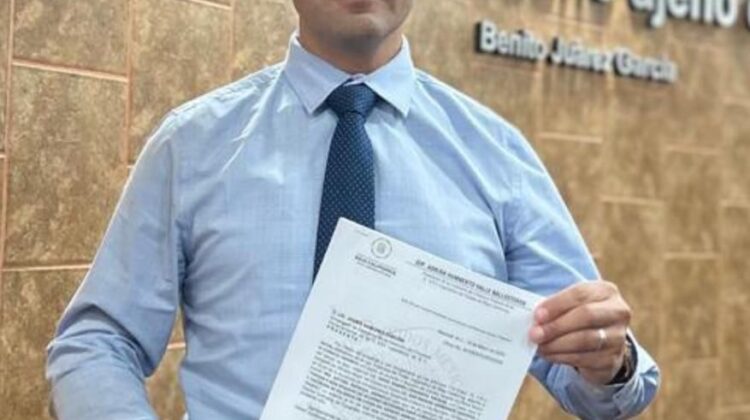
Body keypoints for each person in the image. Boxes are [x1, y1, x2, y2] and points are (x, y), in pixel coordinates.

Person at [46, 0, 659, 419]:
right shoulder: (194, 144)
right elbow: (97, 340)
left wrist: (611, 360)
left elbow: (604, 382)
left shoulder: (495, 153)